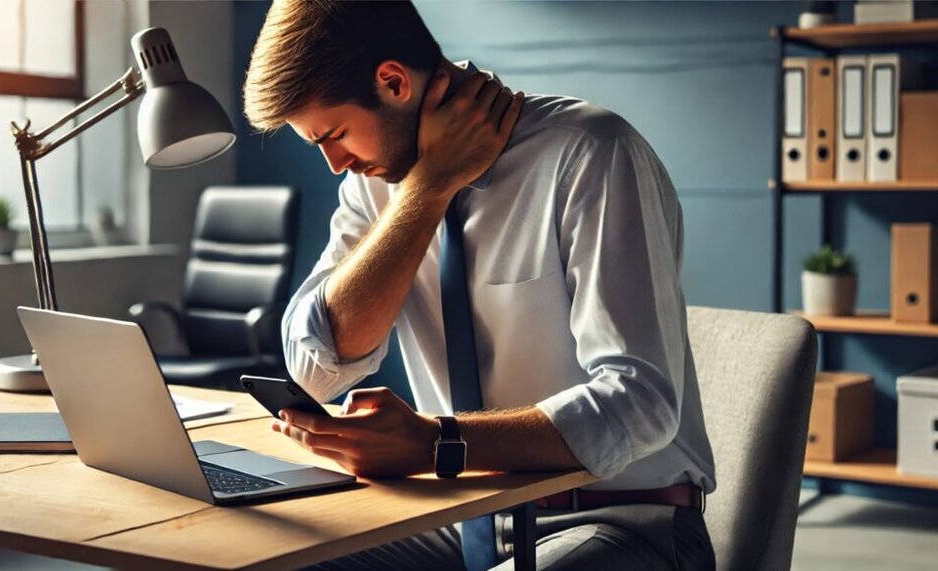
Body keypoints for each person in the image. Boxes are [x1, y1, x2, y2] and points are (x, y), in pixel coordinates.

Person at [243, 1, 715, 569]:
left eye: (336, 135)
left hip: (619, 518)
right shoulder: (380, 183)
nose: (334, 164)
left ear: (393, 82)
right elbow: (316, 369)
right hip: (461, 516)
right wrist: (429, 189)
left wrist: (434, 444)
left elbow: (641, 404)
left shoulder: (589, 152)